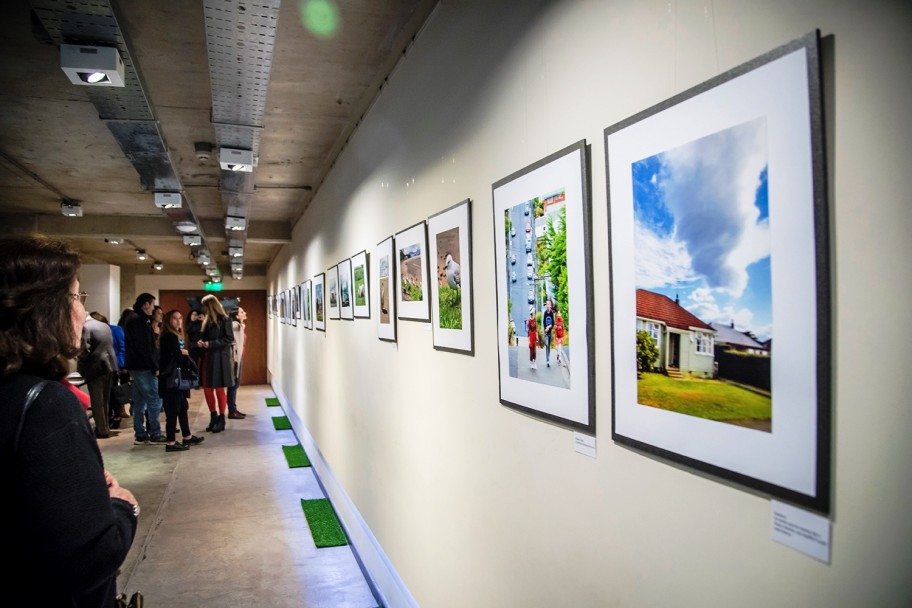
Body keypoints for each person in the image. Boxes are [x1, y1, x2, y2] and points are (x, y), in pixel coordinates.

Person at [0, 234, 139, 606]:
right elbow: (88, 557)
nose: (82, 312)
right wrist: (123, 506)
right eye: (77, 298)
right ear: (46, 308)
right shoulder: (46, 404)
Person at [158, 310, 205, 452]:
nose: (178, 321)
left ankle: (187, 436)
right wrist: (183, 353)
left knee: (182, 407)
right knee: (172, 411)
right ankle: (171, 442)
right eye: (175, 319)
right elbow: (176, 357)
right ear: (168, 321)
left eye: (180, 318)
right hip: (171, 380)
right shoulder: (169, 336)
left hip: (175, 380)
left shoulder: (175, 336)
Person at [123, 292, 165, 445]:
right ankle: (155, 433)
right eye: (152, 305)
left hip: (137, 366)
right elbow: (144, 348)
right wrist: (154, 366)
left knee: (140, 400)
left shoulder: (136, 320)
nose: (153, 309)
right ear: (145, 304)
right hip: (143, 367)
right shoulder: (137, 321)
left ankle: (140, 434)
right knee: (154, 399)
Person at [197, 294, 235, 433]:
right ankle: (213, 415)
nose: (204, 309)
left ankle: (221, 417)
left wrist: (210, 344)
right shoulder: (207, 321)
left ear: (211, 306)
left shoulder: (225, 320)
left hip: (220, 358)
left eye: (206, 306)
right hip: (208, 357)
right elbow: (205, 337)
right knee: (207, 388)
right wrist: (202, 342)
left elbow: (229, 339)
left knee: (219, 388)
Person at [79, 312, 118, 438]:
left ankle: (101, 430)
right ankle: (106, 425)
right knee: (105, 399)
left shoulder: (86, 327)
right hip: (110, 364)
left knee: (97, 401)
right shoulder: (104, 326)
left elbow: (85, 349)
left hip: (95, 367)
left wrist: (81, 360)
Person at [227, 306, 248, 419]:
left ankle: (233, 408)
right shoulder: (235, 325)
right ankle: (232, 410)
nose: (244, 312)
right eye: (242, 311)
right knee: (233, 384)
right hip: (235, 358)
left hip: (239, 357)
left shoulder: (239, 326)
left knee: (235, 384)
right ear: (236, 315)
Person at [542, 298, 555, 367]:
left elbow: (553, 323)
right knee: (547, 346)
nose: (547, 305)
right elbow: (544, 322)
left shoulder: (551, 313)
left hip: (550, 332)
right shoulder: (545, 313)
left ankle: (548, 358)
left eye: (549, 304)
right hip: (546, 333)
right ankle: (547, 360)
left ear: (550, 305)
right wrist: (545, 329)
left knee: (549, 346)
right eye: (547, 304)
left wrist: (549, 327)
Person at [527, 305, 537, 369]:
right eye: (532, 312)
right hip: (531, 336)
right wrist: (529, 339)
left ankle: (535, 362)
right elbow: (529, 330)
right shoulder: (529, 320)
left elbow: (536, 329)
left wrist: (537, 336)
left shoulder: (535, 319)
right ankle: (532, 363)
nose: (533, 313)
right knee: (531, 350)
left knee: (535, 350)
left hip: (534, 335)